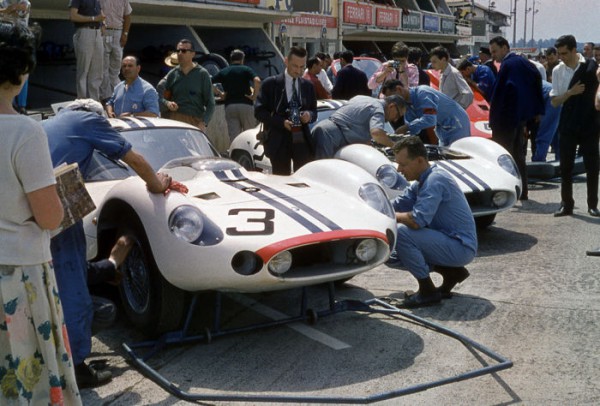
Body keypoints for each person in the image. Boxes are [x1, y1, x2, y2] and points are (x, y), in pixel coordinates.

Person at [42, 98, 172, 388]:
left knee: (47, 282)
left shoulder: (48, 125)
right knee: (72, 285)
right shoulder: (90, 120)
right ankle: (75, 368)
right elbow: (134, 159)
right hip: (57, 203)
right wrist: (157, 184)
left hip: (27, 208)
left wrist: (111, 263)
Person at [0, 20, 81, 404]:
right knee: (27, 380)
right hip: (20, 275)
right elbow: (49, 217)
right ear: (21, 71)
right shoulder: (24, 133)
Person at [386, 136, 477, 308]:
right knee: (391, 255)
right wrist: (370, 209)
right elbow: (396, 204)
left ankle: (427, 291)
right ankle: (452, 273)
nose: (399, 169)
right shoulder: (421, 181)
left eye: (403, 164)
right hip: (449, 242)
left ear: (420, 160)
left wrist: (389, 217)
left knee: (402, 232)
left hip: (460, 247)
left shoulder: (435, 180)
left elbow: (417, 221)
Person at [488, 36, 545, 201]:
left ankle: (505, 191)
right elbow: (536, 82)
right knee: (518, 155)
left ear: (505, 48)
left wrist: (495, 119)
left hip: (505, 119)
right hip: (519, 118)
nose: (493, 55)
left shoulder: (508, 65)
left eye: (495, 51)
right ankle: (523, 190)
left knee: (503, 156)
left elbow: (501, 95)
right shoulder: (524, 62)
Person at [550, 35, 599, 217]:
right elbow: (555, 102)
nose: (561, 57)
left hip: (589, 124)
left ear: (573, 50)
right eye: (559, 53)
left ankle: (592, 204)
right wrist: (570, 93)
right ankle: (566, 204)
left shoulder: (591, 67)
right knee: (566, 166)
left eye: (564, 53)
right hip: (568, 123)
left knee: (592, 166)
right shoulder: (557, 71)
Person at [254, 46, 317, 175]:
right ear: (286, 61)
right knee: (281, 179)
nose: (298, 71)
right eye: (295, 66)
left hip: (301, 139)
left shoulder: (308, 86)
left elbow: (314, 111)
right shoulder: (270, 84)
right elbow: (259, 112)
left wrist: (308, 116)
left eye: (301, 67)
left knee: (305, 178)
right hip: (279, 140)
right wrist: (281, 122)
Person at [381, 79, 471, 146]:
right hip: (442, 128)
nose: (394, 102)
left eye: (393, 97)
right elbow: (413, 127)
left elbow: (430, 119)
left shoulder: (423, 93)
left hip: (457, 123)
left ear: (399, 89)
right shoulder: (407, 105)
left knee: (460, 153)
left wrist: (406, 127)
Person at [310, 95, 400, 159]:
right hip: (330, 138)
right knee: (322, 174)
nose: (396, 120)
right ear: (391, 106)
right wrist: (395, 146)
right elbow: (376, 133)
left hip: (324, 130)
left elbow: (353, 122)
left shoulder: (362, 98)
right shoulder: (378, 109)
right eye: (398, 115)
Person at [160, 39, 215, 132]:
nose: (180, 53)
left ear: (193, 54)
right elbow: (162, 98)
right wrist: (167, 103)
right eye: (178, 51)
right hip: (174, 121)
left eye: (184, 51)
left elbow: (211, 103)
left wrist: (204, 123)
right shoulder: (172, 74)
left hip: (195, 122)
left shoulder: (202, 74)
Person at [211, 48, 261, 141]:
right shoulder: (246, 69)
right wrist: (254, 96)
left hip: (230, 106)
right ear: (242, 59)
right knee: (250, 135)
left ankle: (235, 154)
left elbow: (209, 82)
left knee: (234, 138)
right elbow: (257, 81)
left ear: (231, 59)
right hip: (246, 104)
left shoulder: (224, 71)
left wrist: (220, 93)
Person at [69, 0, 105, 100]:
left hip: (97, 33)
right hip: (85, 31)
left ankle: (95, 101)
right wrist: (94, 19)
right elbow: (73, 16)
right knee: (83, 70)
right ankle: (82, 101)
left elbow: (101, 15)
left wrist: (103, 24)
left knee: (97, 70)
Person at [0, 0, 31, 113]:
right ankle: (10, 104)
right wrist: (8, 10)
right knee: (6, 73)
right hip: (5, 40)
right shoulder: (2, 2)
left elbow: (22, 11)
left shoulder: (25, 2)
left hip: (21, 40)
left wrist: (8, 11)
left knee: (23, 72)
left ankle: (22, 105)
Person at [99, 0, 132, 102]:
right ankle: (106, 96)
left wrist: (125, 34)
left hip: (118, 32)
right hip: (104, 31)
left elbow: (128, 16)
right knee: (103, 67)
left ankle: (119, 96)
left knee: (115, 68)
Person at [531, 80, 561, 162]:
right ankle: (562, 161)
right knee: (555, 132)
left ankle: (539, 161)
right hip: (554, 95)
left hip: (550, 97)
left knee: (545, 133)